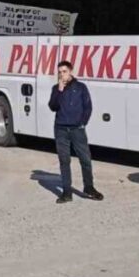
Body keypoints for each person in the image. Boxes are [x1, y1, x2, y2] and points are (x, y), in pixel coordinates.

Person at [48, 60, 103, 204]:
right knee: (64, 161)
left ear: (71, 71)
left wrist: (82, 123)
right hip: (61, 129)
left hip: (77, 129)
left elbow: (88, 107)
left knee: (85, 159)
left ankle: (89, 188)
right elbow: (52, 106)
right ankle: (67, 192)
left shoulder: (80, 88)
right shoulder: (56, 89)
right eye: (59, 72)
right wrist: (59, 91)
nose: (62, 75)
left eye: (64, 71)